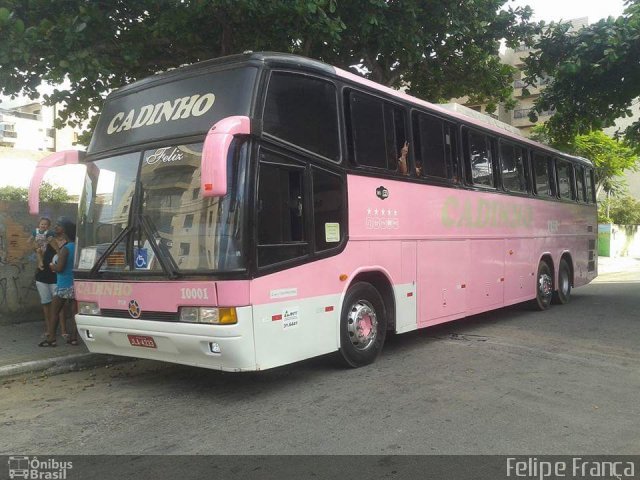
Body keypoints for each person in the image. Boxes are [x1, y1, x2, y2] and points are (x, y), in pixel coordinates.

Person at [38, 218, 78, 347]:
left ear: (65, 230)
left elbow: (59, 268)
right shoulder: (77, 246)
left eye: (59, 226)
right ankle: (73, 338)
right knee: (74, 314)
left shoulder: (66, 249)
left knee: (54, 312)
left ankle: (51, 338)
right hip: (75, 285)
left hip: (63, 285)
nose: (56, 227)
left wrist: (51, 266)